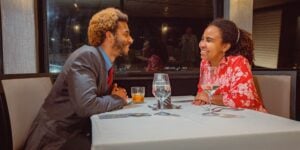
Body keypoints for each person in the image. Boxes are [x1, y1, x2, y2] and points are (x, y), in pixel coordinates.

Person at [24, 8, 133, 150]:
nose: (131, 39)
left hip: (76, 131)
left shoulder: (103, 62)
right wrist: (118, 99)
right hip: (56, 139)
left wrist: (111, 96)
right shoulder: (87, 57)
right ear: (109, 36)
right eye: (126, 34)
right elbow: (87, 106)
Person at [193, 19, 266, 112]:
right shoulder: (205, 63)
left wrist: (209, 98)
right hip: (223, 117)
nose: (201, 44)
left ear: (225, 47)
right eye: (202, 39)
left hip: (252, 119)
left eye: (209, 40)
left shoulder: (239, 62)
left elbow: (246, 99)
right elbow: (202, 91)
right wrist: (201, 99)